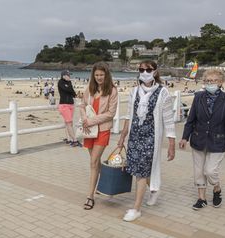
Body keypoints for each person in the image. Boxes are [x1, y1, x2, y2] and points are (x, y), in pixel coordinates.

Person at [117, 60, 175, 221]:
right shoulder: (134, 91)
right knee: (137, 168)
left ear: (155, 71)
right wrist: (122, 136)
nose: (144, 72)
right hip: (135, 136)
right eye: (141, 69)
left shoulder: (163, 92)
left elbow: (168, 120)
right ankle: (154, 189)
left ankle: (136, 209)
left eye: (148, 69)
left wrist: (171, 144)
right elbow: (129, 115)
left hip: (151, 138)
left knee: (141, 172)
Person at [180, 69, 225, 210]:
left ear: (221, 82)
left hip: (218, 141)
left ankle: (216, 188)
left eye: (214, 80)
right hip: (198, 139)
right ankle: (201, 198)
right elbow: (191, 119)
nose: (210, 83)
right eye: (208, 81)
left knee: (210, 171)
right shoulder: (198, 97)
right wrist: (185, 137)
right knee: (199, 171)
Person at [81, 62, 118, 210]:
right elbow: (82, 105)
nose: (99, 77)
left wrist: (90, 121)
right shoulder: (90, 88)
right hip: (89, 131)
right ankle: (104, 184)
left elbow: (111, 113)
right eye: (96, 75)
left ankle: (90, 196)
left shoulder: (112, 91)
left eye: (101, 75)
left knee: (94, 161)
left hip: (102, 130)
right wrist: (84, 118)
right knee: (94, 161)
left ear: (106, 74)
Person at [57, 70, 80, 147]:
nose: (70, 77)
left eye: (70, 75)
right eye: (68, 75)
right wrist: (70, 90)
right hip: (64, 105)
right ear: (63, 76)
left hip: (71, 104)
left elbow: (73, 93)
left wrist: (71, 90)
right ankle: (74, 140)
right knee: (69, 123)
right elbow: (67, 90)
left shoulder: (69, 82)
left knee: (69, 123)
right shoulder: (60, 82)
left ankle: (69, 139)